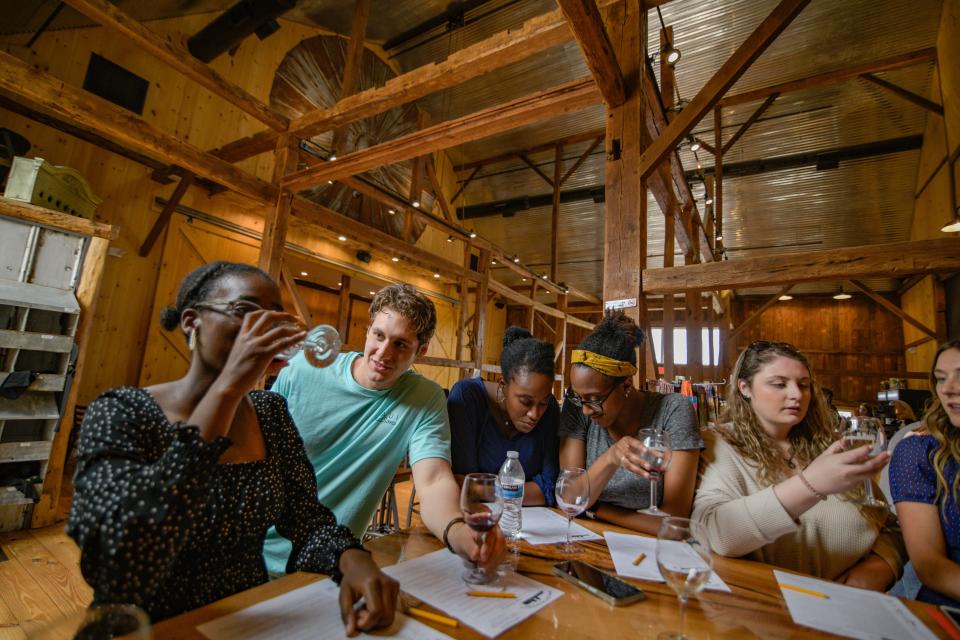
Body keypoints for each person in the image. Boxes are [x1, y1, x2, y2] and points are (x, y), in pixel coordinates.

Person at [67, 261, 397, 632]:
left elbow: (305, 519)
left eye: (274, 317)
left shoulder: (270, 413)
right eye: (245, 311)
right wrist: (227, 387)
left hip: (246, 621)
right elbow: (117, 563)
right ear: (192, 322)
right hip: (144, 629)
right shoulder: (122, 412)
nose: (266, 329)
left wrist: (350, 558)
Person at [265, 283, 504, 575]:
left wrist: (456, 530)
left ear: (422, 350)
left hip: (331, 563)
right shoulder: (304, 368)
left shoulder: (424, 398)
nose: (383, 352)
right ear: (368, 332)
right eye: (379, 335)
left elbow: (434, 480)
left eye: (401, 344)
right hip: (256, 551)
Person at [692, 341, 904, 590]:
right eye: (779, 384)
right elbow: (717, 535)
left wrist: (879, 568)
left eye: (804, 385)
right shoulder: (718, 444)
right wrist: (811, 484)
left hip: (849, 607)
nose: (796, 394)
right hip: (765, 608)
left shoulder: (827, 445)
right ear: (745, 388)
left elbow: (890, 526)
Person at [558, 312, 702, 534]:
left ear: (626, 385)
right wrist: (610, 458)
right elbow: (569, 498)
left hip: (647, 547)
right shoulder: (577, 407)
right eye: (578, 397)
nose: (586, 410)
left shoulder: (673, 410)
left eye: (595, 400)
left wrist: (597, 509)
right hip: (585, 536)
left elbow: (674, 522)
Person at [448, 326, 560, 506]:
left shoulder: (551, 408)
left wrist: (482, 489)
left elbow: (550, 488)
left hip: (534, 523)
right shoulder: (467, 398)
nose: (535, 414)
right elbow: (462, 483)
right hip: (478, 518)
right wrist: (526, 490)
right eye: (525, 401)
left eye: (543, 403)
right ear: (503, 386)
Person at [889, 339, 960, 606]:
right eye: (941, 379)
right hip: (941, 606)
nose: (949, 389)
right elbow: (930, 566)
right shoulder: (920, 451)